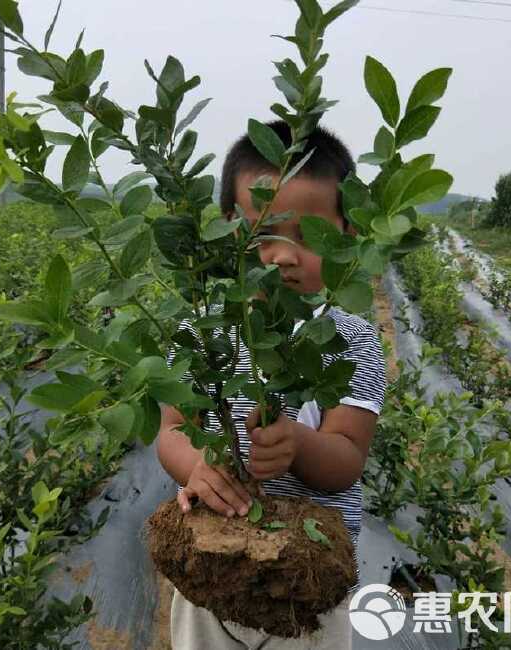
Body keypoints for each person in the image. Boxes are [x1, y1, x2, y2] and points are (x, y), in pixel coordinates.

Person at [156, 120, 387, 650]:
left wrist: (298, 445)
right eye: (265, 235)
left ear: (347, 235)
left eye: (308, 237)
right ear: (228, 230)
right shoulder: (201, 331)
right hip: (212, 565)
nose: (283, 255)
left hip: (306, 584)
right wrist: (196, 464)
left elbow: (348, 458)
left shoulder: (351, 340)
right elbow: (172, 430)